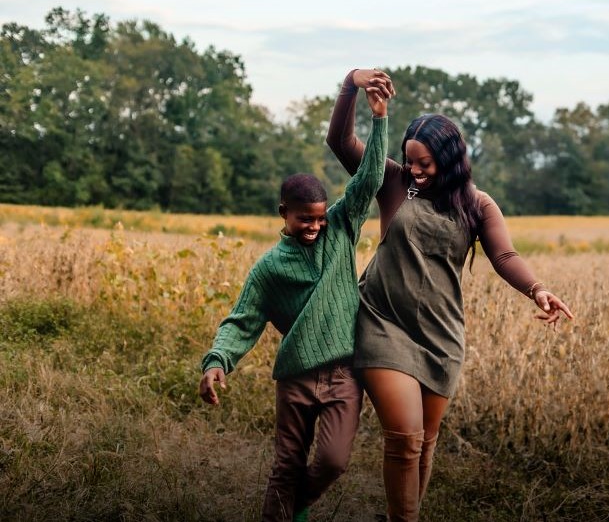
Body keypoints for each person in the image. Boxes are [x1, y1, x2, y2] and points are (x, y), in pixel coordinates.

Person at [326, 68, 574, 521]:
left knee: (424, 443)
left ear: (451, 157)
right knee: (404, 437)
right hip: (382, 322)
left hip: (441, 335)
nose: (417, 171)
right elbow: (340, 144)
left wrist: (538, 289)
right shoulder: (393, 181)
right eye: (411, 160)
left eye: (425, 162)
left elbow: (504, 256)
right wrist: (351, 86)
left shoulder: (477, 204)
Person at [199, 83, 390, 522]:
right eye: (305, 218)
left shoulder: (341, 229)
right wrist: (216, 361)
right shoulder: (269, 268)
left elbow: (369, 180)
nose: (314, 226)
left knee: (332, 462)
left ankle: (292, 508)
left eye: (320, 217)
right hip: (296, 378)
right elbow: (242, 320)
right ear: (283, 212)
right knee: (286, 465)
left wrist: (378, 118)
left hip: (344, 371)